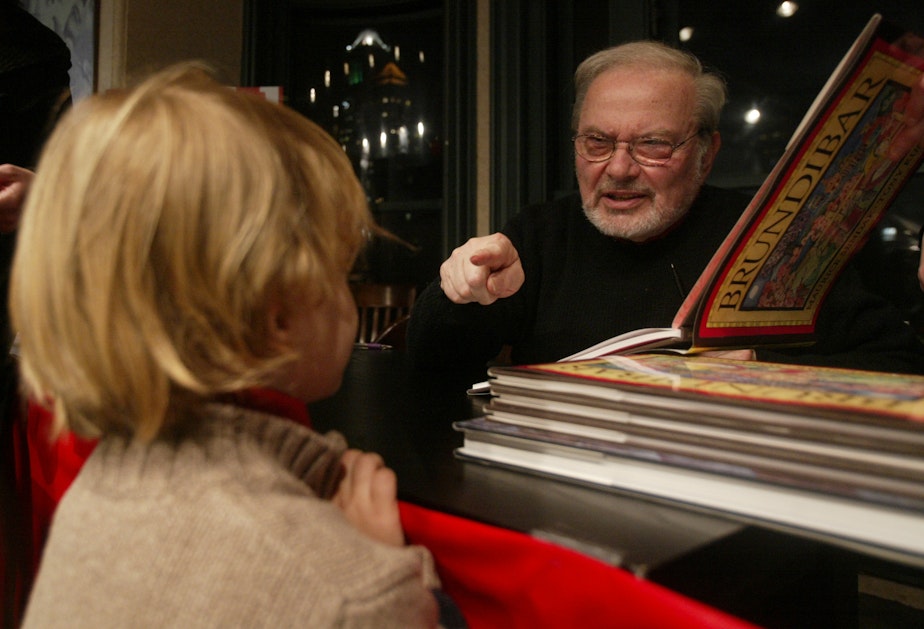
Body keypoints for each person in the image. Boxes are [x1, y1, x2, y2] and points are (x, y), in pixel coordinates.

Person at [12, 64, 442, 627]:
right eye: (342, 272)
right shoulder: (356, 593)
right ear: (278, 318)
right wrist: (397, 573)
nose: (350, 296)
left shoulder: (93, 492)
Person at [407, 41, 924, 376]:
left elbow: (896, 360)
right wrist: (458, 292)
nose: (619, 169)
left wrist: (761, 363)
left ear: (706, 155)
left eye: (653, 145)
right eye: (596, 142)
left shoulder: (773, 237)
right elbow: (429, 366)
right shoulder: (540, 235)